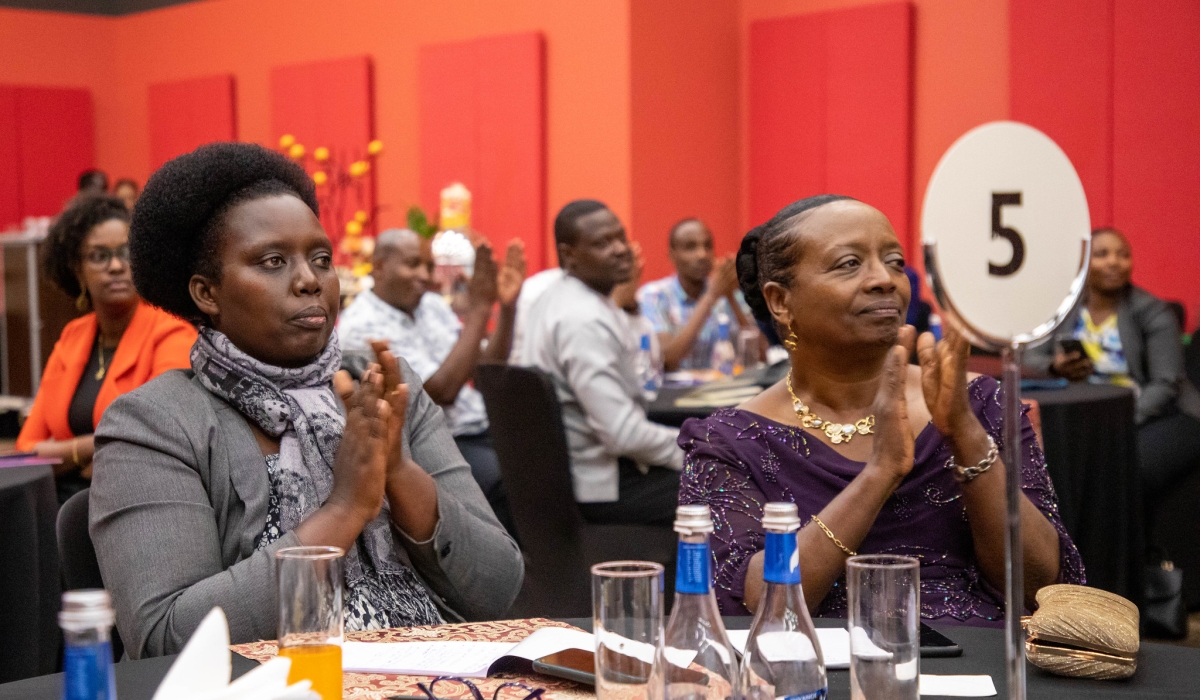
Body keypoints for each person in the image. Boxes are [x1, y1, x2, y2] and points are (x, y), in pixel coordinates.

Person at [89, 143, 522, 658]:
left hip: (436, 673)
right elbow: (167, 639)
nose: (309, 281)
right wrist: (343, 510)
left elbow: (500, 587)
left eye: (321, 259)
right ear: (207, 293)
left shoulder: (383, 384)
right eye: (273, 262)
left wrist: (400, 472)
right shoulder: (154, 423)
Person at [678, 195, 1084, 624]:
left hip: (978, 664)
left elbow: (1044, 586)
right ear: (781, 301)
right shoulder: (729, 441)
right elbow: (757, 608)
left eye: (893, 261)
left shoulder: (980, 404)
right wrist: (880, 472)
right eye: (849, 264)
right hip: (818, 671)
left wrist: (964, 433)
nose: (885, 279)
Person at [338, 228, 525, 534]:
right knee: (511, 481)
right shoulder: (363, 324)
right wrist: (478, 310)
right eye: (413, 264)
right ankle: (506, 574)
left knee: (548, 462)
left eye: (428, 265)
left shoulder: (432, 307)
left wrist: (506, 308)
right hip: (431, 442)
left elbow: (484, 369)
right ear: (380, 266)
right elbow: (440, 392)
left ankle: (545, 573)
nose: (425, 275)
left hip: (478, 427)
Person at [16, 194, 196, 504]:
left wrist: (64, 451)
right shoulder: (73, 336)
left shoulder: (172, 334)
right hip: (61, 504)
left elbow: (156, 438)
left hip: (136, 503)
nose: (115, 266)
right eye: (99, 256)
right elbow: (28, 450)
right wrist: (90, 450)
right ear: (77, 268)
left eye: (126, 253)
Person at [518, 200, 683, 526]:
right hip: (599, 487)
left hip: (574, 477)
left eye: (621, 237)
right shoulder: (584, 320)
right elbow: (623, 435)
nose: (621, 249)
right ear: (569, 255)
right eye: (602, 243)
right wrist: (698, 451)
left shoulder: (559, 296)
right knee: (731, 486)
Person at [1027, 227, 1200, 535]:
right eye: (1102, 254)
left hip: (1153, 414)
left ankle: (1133, 563)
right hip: (1085, 416)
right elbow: (1028, 358)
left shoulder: (1152, 311)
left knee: (1129, 467)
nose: (1114, 263)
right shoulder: (1065, 308)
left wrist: (1119, 424)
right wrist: (1056, 367)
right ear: (1083, 263)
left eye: (1123, 255)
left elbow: (1166, 383)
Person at [637, 218, 752, 371]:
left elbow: (760, 356)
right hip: (673, 393)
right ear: (672, 255)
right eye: (690, 247)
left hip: (721, 389)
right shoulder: (654, 295)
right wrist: (710, 297)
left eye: (707, 246)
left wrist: (731, 297)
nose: (702, 254)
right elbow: (668, 358)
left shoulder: (728, 294)